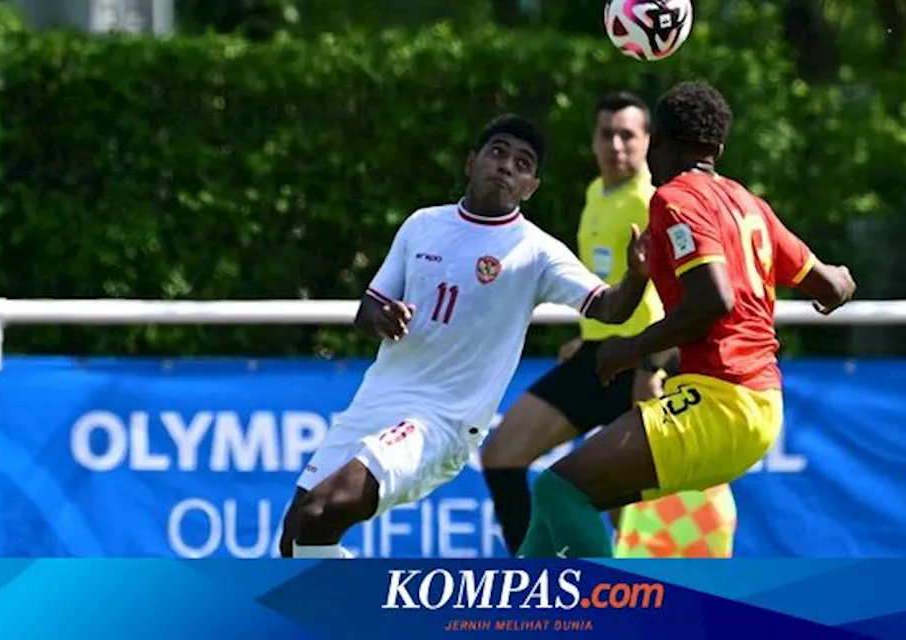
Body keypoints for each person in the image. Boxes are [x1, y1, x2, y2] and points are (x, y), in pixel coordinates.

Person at [279, 114, 651, 559]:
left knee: (324, 510)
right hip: (374, 401)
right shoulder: (421, 225)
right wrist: (385, 316)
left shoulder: (535, 251)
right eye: (497, 152)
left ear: (531, 186)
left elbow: (610, 308)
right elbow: (368, 308)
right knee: (295, 539)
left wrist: (637, 276)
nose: (507, 166)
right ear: (471, 162)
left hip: (441, 421)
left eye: (523, 162)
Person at [515, 81, 856, 558]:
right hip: (758, 405)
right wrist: (842, 279)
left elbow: (713, 299)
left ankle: (607, 617)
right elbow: (829, 285)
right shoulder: (750, 204)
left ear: (658, 144)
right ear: (718, 147)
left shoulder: (675, 199)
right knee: (561, 503)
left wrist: (626, 349)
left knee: (559, 489)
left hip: (720, 402)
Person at [480, 91, 737, 559]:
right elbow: (611, 286)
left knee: (629, 513)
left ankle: (619, 605)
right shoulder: (596, 193)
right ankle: (534, 583)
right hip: (600, 355)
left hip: (643, 363)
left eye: (628, 135)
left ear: (648, 142)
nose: (616, 145)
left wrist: (653, 366)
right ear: (594, 142)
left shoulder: (658, 200)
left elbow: (684, 295)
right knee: (502, 455)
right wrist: (586, 335)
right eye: (607, 134)